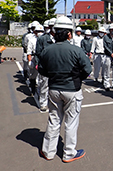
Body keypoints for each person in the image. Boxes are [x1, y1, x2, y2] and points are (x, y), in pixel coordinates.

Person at [38, 16, 92, 162]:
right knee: (71, 122)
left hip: (54, 89)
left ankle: (48, 152)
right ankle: (69, 153)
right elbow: (87, 69)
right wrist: (78, 78)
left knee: (54, 120)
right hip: (72, 90)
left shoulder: (47, 51)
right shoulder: (76, 50)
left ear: (54, 33)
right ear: (69, 34)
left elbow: (42, 71)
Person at [35, 20, 56, 112]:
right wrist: (37, 64)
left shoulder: (60, 38)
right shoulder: (42, 39)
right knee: (44, 86)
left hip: (57, 66)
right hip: (46, 66)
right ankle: (43, 103)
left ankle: (53, 103)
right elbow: (38, 53)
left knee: (56, 86)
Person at [27, 23, 44, 96]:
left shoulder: (44, 39)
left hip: (42, 58)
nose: (40, 33)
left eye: (41, 31)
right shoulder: (31, 40)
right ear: (34, 32)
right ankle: (32, 89)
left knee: (41, 77)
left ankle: (40, 92)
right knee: (33, 75)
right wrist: (30, 61)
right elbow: (29, 52)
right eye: (38, 31)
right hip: (34, 58)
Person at [103, 24, 113, 91]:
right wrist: (111, 53)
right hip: (108, 55)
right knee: (107, 70)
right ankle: (106, 84)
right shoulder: (106, 37)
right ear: (109, 30)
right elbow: (105, 46)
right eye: (112, 30)